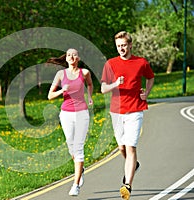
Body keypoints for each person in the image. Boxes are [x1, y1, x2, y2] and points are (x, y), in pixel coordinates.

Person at [101, 31, 154, 200]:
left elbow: (151, 78)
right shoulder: (110, 64)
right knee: (122, 148)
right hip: (116, 112)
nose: (121, 49)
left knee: (131, 147)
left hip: (135, 110)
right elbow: (103, 88)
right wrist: (115, 84)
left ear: (130, 45)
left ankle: (127, 185)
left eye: (124, 45)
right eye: (118, 46)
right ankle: (134, 165)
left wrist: (147, 93)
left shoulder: (141, 62)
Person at [47, 48, 93, 196]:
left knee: (78, 149)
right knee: (71, 146)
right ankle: (81, 169)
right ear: (66, 58)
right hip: (66, 114)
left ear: (78, 57)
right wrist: (62, 90)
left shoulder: (84, 73)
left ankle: (75, 184)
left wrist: (90, 97)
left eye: (74, 54)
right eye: (68, 55)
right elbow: (50, 95)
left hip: (81, 113)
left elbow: (90, 85)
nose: (71, 56)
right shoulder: (60, 74)